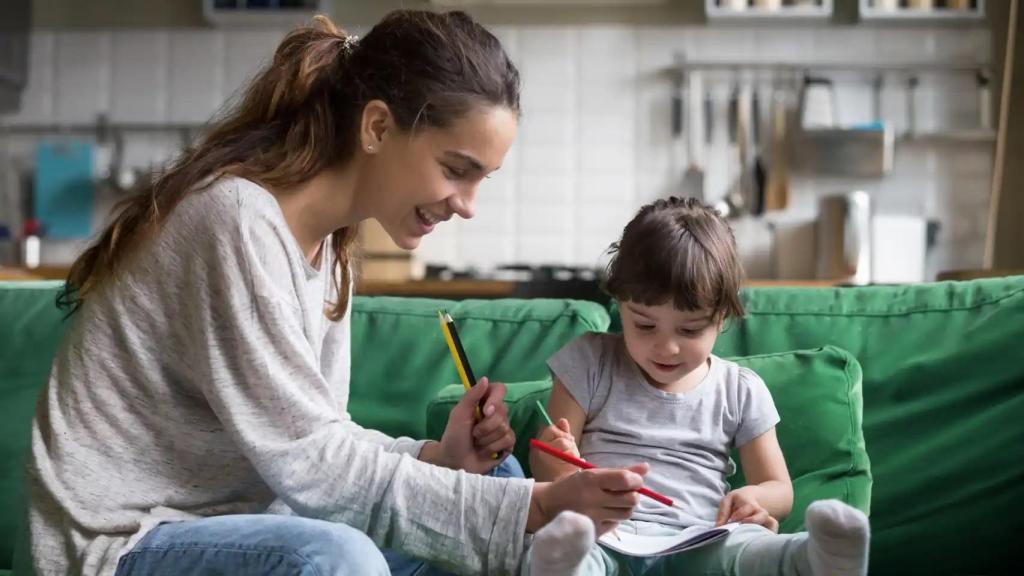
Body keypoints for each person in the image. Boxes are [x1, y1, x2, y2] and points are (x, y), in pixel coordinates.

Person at [20, 10, 649, 576]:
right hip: (124, 543)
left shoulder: (330, 249)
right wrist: (532, 508)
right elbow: (312, 462)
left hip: (255, 523)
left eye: (481, 179)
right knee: (339, 556)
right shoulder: (235, 220)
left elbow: (321, 437)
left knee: (496, 477)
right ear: (377, 126)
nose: (467, 205)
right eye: (456, 170)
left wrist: (439, 454)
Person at [530, 197, 871, 576]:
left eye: (690, 330)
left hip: (698, 538)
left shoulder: (740, 389)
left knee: (750, 549)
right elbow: (551, 469)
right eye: (644, 325)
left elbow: (779, 489)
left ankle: (813, 560)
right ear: (620, 303)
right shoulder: (589, 361)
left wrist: (753, 498)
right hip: (601, 532)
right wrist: (558, 469)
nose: (667, 347)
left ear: (722, 317)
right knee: (570, 547)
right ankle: (561, 566)